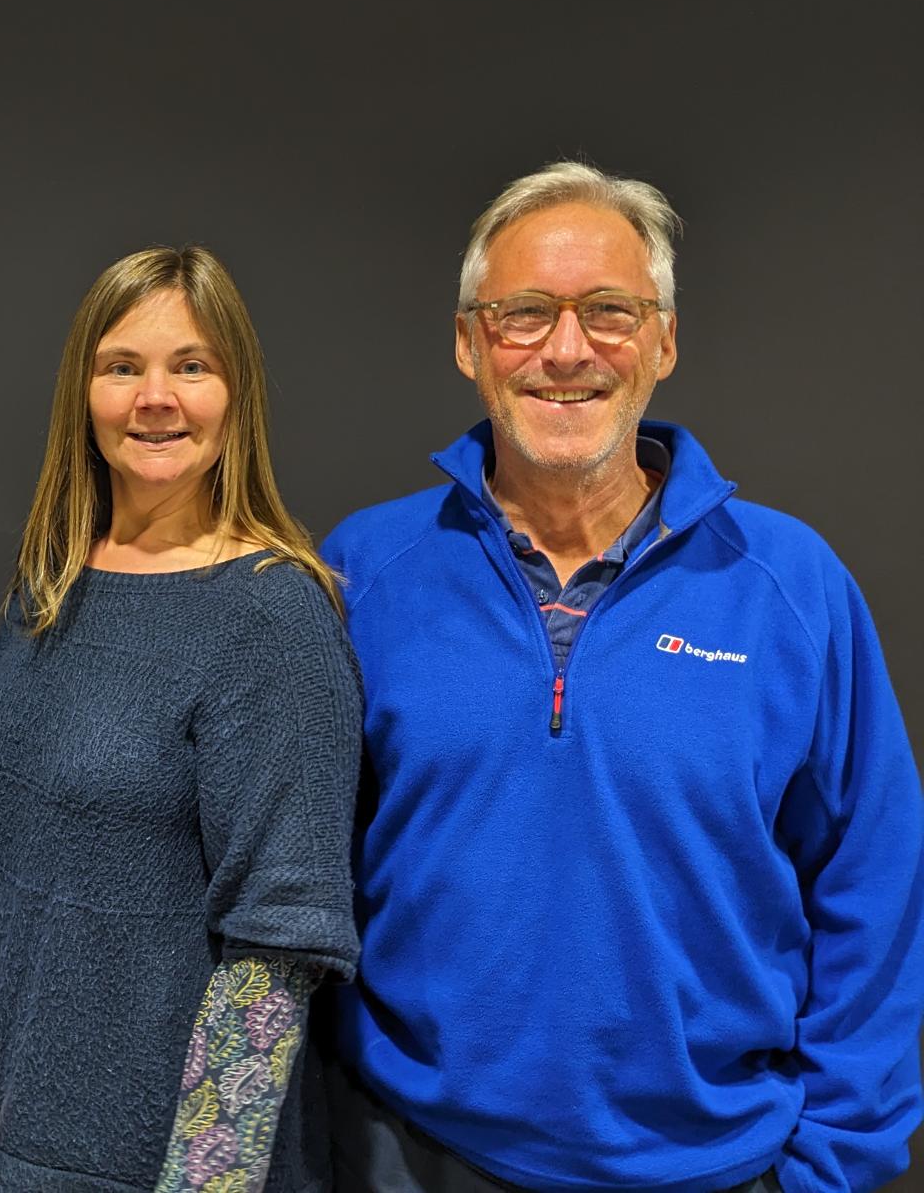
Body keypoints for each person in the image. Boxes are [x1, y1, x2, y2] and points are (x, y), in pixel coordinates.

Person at [321, 162, 924, 1192]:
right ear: (469, 342)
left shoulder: (789, 586)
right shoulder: (366, 573)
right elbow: (295, 871)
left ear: (664, 343)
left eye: (609, 312)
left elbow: (874, 888)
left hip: (721, 1168)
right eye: (524, 314)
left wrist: (835, 1167)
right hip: (410, 1157)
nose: (566, 350)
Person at [0, 245, 362, 1193]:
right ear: (85, 391)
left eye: (191, 367)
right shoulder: (54, 584)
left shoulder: (272, 617)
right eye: (123, 367)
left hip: (160, 1170)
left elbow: (276, 952)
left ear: (235, 393)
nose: (155, 397)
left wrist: (203, 1182)